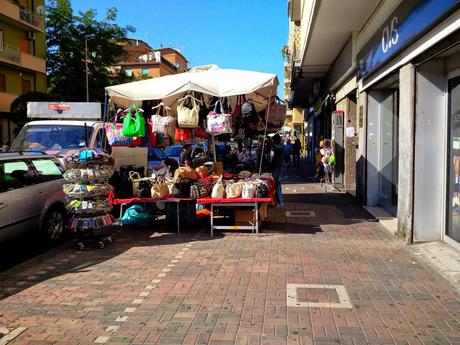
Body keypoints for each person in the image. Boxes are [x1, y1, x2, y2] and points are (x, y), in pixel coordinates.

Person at [271, 134, 285, 207]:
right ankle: (278, 201)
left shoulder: (281, 145)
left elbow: (277, 148)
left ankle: (280, 202)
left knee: (277, 185)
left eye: (274, 140)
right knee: (276, 185)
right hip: (276, 167)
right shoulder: (278, 145)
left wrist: (271, 143)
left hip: (279, 168)